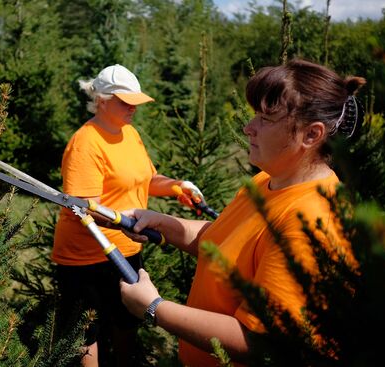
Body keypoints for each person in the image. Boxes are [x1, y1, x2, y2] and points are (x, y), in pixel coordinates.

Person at [118, 58, 365, 366]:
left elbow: (262, 342)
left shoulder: (312, 222)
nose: (249, 127)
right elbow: (227, 241)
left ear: (311, 135)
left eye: (265, 117)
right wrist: (163, 223)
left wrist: (155, 307)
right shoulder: (268, 181)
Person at [51, 64, 204, 367]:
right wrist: (126, 224)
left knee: (126, 320)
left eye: (136, 101)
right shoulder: (86, 143)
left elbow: (147, 179)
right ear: (102, 101)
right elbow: (86, 209)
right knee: (87, 333)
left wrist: (177, 187)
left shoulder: (129, 134)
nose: (133, 107)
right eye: (125, 101)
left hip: (127, 247)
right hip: (87, 256)